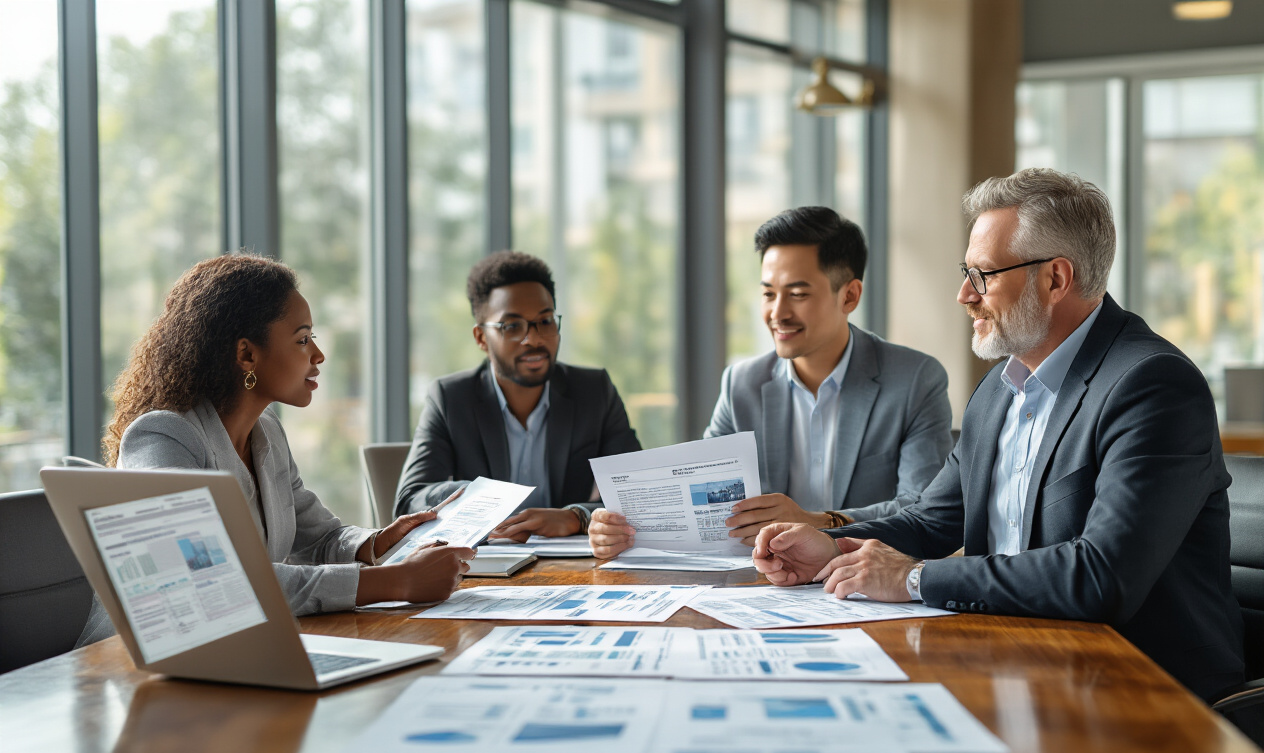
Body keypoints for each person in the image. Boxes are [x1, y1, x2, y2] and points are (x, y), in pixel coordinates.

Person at [752, 169, 1244, 701]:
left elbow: (1102, 576)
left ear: (1055, 279)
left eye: (983, 274)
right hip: (1016, 663)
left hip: (1139, 694)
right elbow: (934, 517)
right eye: (966, 272)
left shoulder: (1152, 384)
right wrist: (829, 547)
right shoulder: (1000, 387)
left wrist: (914, 579)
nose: (964, 294)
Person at [104, 253, 474, 616]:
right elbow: (208, 579)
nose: (318, 355)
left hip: (249, 645)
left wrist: (377, 542)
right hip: (136, 659)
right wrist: (396, 583)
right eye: (302, 340)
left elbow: (320, 538)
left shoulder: (267, 433)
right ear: (247, 355)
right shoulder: (164, 437)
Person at [589, 206, 953, 557]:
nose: (777, 313)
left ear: (850, 296)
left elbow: (922, 509)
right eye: (768, 294)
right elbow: (699, 497)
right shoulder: (741, 385)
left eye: (797, 294)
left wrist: (817, 523)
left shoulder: (914, 380)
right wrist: (621, 529)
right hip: (767, 580)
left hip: (866, 576)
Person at [394, 250, 641, 540]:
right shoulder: (450, 399)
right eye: (511, 326)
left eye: (545, 321)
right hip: (485, 564)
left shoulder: (594, 391)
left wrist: (577, 517)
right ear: (481, 338)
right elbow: (410, 500)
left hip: (571, 562)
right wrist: (482, 501)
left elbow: (637, 493)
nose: (533, 339)